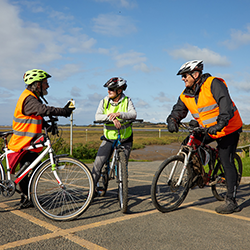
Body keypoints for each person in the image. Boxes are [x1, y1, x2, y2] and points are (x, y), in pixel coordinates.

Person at [167, 60, 243, 214]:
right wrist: (172, 120)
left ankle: (231, 200)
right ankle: (198, 175)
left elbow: (225, 105)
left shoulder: (213, 84)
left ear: (195, 74)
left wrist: (220, 123)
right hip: (209, 129)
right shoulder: (185, 94)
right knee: (189, 144)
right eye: (182, 76)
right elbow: (178, 110)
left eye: (185, 75)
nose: (183, 79)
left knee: (226, 159)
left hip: (229, 127)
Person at [8, 69, 75, 207]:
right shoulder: (28, 98)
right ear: (37, 84)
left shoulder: (32, 97)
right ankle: (26, 197)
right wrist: (64, 111)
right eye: (45, 83)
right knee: (26, 171)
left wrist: (48, 126)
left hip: (29, 141)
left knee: (31, 170)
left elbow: (36, 117)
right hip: (23, 142)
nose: (48, 86)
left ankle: (26, 197)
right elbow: (43, 110)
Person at [92, 77, 137, 196]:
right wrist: (112, 118)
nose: (108, 91)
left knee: (123, 167)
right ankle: (91, 190)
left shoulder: (127, 100)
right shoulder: (104, 101)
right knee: (98, 164)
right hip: (108, 138)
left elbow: (133, 114)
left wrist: (119, 114)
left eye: (111, 89)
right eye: (108, 89)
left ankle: (122, 191)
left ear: (119, 90)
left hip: (125, 139)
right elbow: (97, 117)